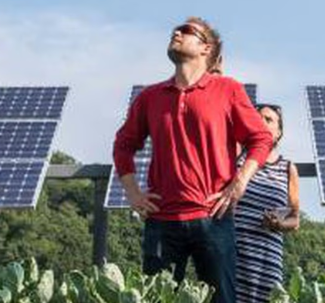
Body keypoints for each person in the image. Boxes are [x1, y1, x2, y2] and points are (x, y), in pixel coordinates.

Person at [112, 17, 273, 303]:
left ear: (205, 48)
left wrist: (239, 182)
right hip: (161, 221)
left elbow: (260, 139)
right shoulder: (150, 97)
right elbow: (123, 144)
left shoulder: (228, 90)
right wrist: (133, 192)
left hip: (214, 219)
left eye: (187, 31)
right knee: (157, 300)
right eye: (177, 29)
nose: (177, 32)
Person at [235, 103, 300, 303]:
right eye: (257, 118)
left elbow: (295, 219)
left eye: (269, 119)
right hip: (233, 258)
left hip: (267, 264)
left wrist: (279, 224)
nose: (261, 122)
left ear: (279, 132)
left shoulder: (287, 168)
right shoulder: (236, 159)